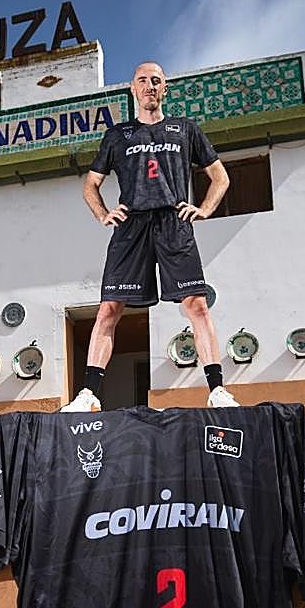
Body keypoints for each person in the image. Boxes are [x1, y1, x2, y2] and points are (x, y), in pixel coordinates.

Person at [61, 61, 240, 412]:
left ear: (165, 89)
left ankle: (217, 390)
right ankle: (88, 394)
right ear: (132, 89)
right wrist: (103, 214)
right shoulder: (118, 135)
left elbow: (220, 177)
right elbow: (90, 184)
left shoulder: (185, 129)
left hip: (174, 223)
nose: (149, 86)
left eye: (156, 81)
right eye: (142, 80)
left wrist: (203, 208)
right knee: (109, 309)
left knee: (197, 306)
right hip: (132, 227)